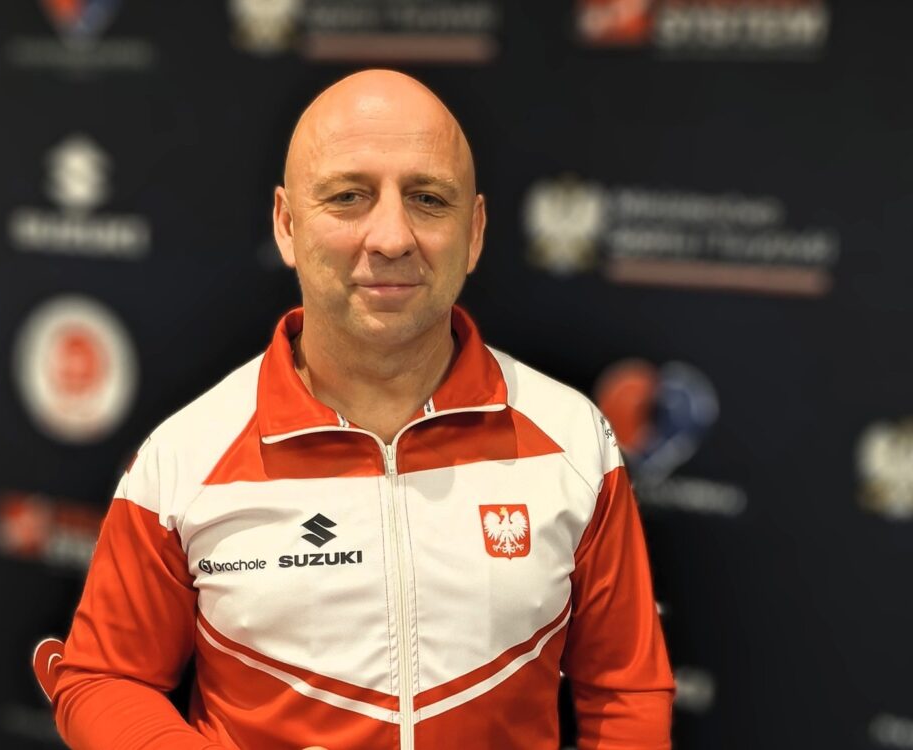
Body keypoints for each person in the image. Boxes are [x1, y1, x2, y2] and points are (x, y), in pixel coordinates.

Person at [39, 69, 675, 749]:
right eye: (349, 197)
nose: (392, 237)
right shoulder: (184, 457)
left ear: (475, 231)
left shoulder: (574, 440)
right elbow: (104, 679)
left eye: (428, 199)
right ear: (287, 224)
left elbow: (624, 691)